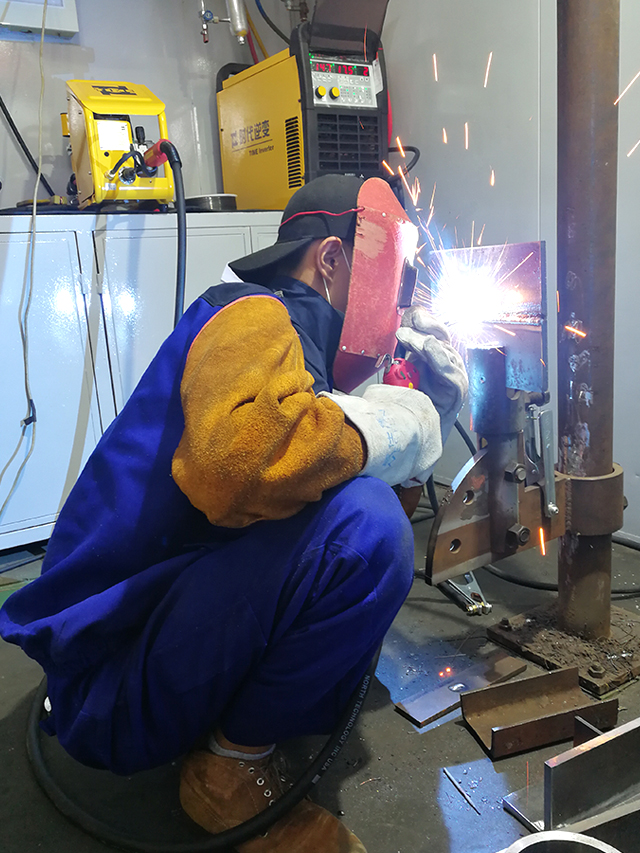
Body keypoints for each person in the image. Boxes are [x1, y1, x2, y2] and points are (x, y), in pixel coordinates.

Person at [0, 174, 467, 852]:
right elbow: (235, 470)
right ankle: (227, 776)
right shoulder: (252, 315)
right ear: (331, 260)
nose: (399, 311)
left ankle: (230, 734)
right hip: (111, 683)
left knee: (359, 530)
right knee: (367, 525)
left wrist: (421, 431)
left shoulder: (301, 364)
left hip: (158, 647)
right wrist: (399, 426)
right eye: (396, 286)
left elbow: (338, 525)